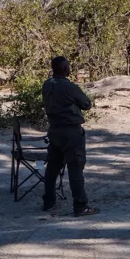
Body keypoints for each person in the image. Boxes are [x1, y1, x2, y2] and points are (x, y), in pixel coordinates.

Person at [41, 56, 99, 217]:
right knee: (75, 168)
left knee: (52, 168)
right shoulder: (69, 87)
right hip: (71, 132)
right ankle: (80, 206)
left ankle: (49, 201)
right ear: (66, 69)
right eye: (68, 66)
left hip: (54, 131)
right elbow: (86, 104)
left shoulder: (47, 84)